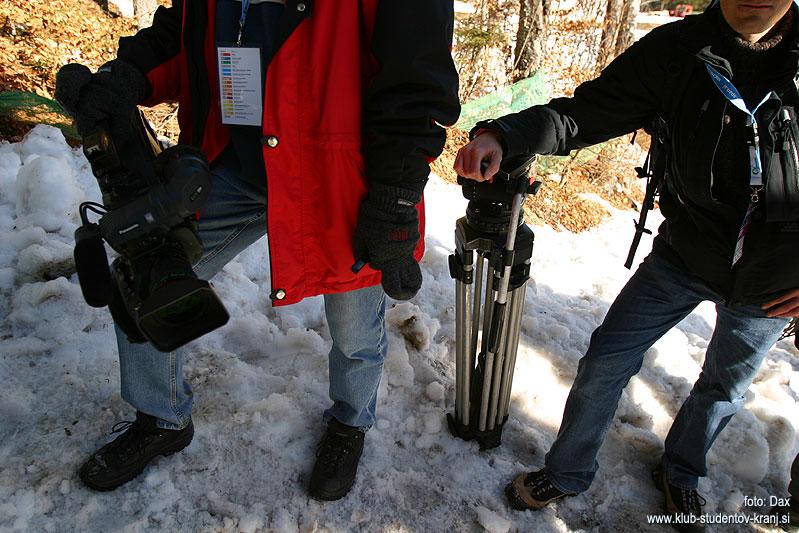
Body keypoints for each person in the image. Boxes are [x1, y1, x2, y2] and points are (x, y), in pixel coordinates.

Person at [55, 0, 459, 501]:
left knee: (356, 329)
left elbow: (415, 79)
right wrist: (126, 76)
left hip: (336, 178)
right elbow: (184, 33)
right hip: (235, 162)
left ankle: (350, 424)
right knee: (146, 276)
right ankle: (162, 417)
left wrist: (395, 194)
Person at [455, 0, 799, 528]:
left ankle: (681, 473)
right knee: (606, 361)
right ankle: (567, 472)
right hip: (684, 254)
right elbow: (584, 114)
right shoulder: (678, 51)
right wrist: (505, 134)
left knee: (723, 388)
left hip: (777, 278)